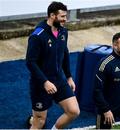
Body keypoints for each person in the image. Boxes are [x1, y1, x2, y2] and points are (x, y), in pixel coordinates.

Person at [26, 1, 80, 129]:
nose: (65, 19)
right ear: (52, 15)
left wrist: (68, 77)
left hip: (58, 79)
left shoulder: (63, 32)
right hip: (40, 84)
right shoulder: (37, 36)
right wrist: (45, 82)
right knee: (39, 121)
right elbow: (30, 62)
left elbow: (64, 52)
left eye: (65, 16)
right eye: (62, 16)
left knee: (73, 111)